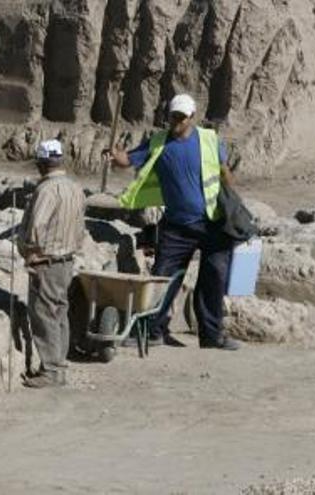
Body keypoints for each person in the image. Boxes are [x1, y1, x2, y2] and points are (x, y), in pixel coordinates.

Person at [108, 93, 240, 350]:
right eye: (173, 116)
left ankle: (212, 336)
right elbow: (128, 160)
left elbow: (225, 174)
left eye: (181, 117)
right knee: (163, 278)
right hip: (177, 226)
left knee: (214, 278)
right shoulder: (157, 142)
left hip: (212, 222)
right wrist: (115, 156)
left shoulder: (209, 140)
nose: (176, 121)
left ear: (192, 117)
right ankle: (153, 331)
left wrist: (233, 206)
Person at [17, 139, 86, 388]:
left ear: (42, 164)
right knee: (59, 313)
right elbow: (81, 227)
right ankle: (59, 364)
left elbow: (37, 225)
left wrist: (30, 252)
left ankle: (52, 370)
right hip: (67, 261)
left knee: (44, 314)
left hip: (47, 261)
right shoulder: (75, 188)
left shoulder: (46, 190)